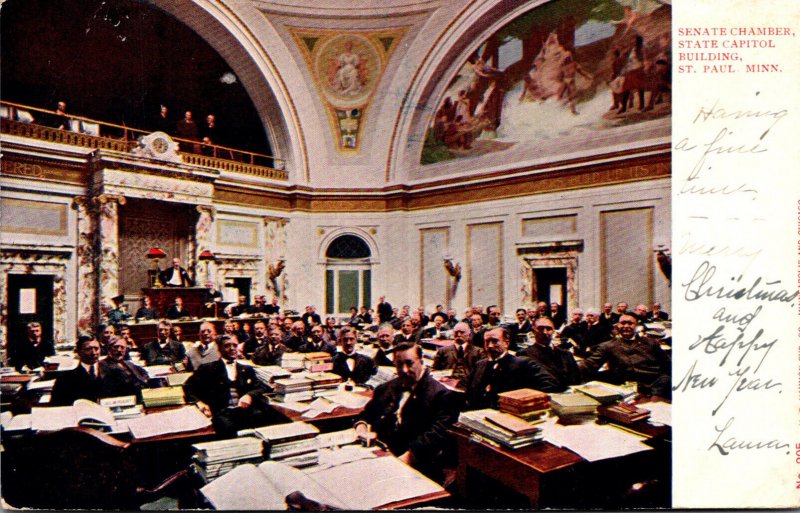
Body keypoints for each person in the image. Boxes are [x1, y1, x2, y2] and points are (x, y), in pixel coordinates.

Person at [356, 342, 460, 482]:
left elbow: (436, 435)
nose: (404, 370)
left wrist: (406, 459)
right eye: (399, 364)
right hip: (378, 455)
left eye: (409, 363)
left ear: (422, 362)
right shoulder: (386, 388)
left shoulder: (441, 395)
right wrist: (361, 428)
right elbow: (366, 415)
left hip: (416, 463)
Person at [184, 334, 277, 437]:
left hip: (245, 412)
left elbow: (261, 387)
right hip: (222, 414)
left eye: (235, 345)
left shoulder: (246, 369)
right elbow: (188, 387)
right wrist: (200, 403)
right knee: (227, 430)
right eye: (227, 345)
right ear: (219, 348)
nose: (232, 348)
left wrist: (249, 395)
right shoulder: (208, 368)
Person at [465, 327, 563, 410]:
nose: (490, 346)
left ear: (506, 343)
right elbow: (469, 391)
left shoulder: (522, 364)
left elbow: (551, 384)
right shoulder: (479, 365)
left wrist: (521, 399)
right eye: (487, 342)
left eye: (495, 341)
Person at [580, 314, 672, 398]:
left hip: (655, 389)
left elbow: (667, 366)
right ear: (617, 326)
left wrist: (658, 391)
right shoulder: (608, 346)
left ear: (636, 326)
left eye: (630, 323)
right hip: (623, 391)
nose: (626, 326)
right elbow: (590, 364)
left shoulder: (651, 343)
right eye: (623, 323)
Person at [518, 318, 581, 389]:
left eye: (548, 329)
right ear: (533, 331)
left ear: (554, 331)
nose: (545, 332)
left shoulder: (566, 354)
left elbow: (577, 379)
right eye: (541, 329)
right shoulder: (525, 354)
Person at [51, 336, 104, 406]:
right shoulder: (65, 379)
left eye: (96, 349)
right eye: (88, 349)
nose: (94, 353)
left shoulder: (113, 374)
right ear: (79, 352)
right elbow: (57, 407)